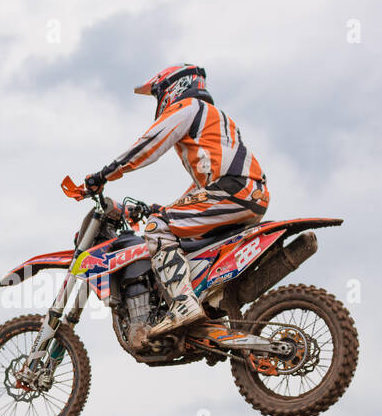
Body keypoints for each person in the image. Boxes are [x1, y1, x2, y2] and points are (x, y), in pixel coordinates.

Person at [84, 64, 269, 340]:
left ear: (172, 88)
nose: (159, 102)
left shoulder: (188, 107)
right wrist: (168, 207)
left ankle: (183, 304)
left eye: (158, 95)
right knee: (171, 225)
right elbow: (204, 186)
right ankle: (207, 305)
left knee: (157, 228)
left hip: (233, 190)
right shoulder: (216, 119)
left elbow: (149, 145)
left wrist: (105, 174)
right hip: (247, 193)